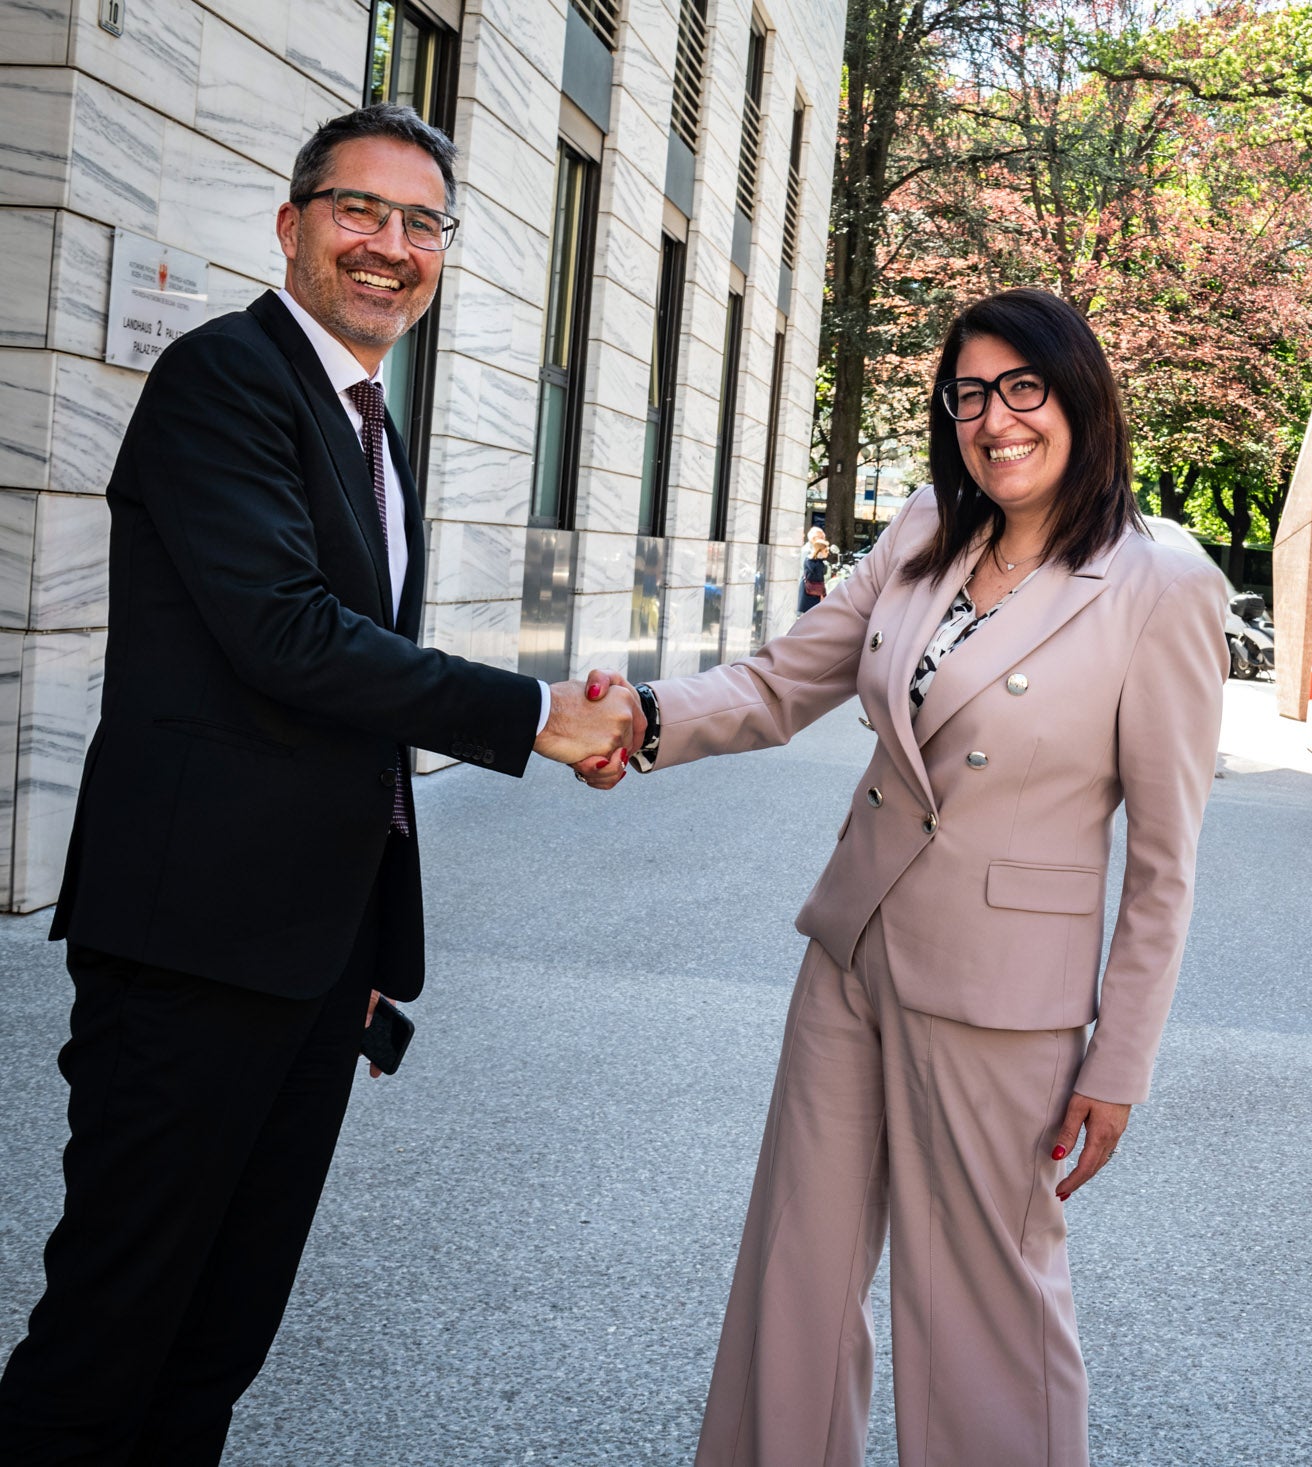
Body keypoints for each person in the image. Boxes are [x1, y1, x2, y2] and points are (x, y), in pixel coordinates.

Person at [0, 105, 641, 1465]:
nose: (390, 246)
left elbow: (357, 695)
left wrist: (360, 941)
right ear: (291, 225)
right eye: (360, 210)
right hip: (188, 949)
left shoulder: (364, 417)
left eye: (421, 224)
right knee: (110, 1333)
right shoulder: (225, 378)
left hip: (305, 955)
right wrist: (533, 715)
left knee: (218, 1336)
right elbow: (287, 634)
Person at [582, 287, 1227, 1466]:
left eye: (1024, 387)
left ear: (1080, 396)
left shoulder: (1158, 581)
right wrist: (642, 715)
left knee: (985, 1310)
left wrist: (1119, 1062)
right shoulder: (930, 528)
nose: (997, 419)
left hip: (1000, 997)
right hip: (852, 953)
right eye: (970, 393)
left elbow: (1166, 861)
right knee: (797, 1274)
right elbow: (784, 680)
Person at [798, 526, 831, 613]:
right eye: (821, 538)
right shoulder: (807, 552)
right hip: (808, 589)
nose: (823, 540)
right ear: (813, 538)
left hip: (813, 590)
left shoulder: (817, 556)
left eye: (824, 538)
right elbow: (808, 571)